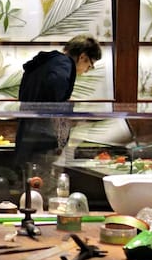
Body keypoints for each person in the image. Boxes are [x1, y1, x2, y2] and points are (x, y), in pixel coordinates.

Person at [15, 34, 103, 166]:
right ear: (83, 57)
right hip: (44, 139)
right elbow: (54, 91)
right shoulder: (63, 64)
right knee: (43, 181)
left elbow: (25, 95)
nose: (86, 71)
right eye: (90, 65)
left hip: (26, 134)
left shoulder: (45, 63)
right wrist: (65, 104)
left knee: (29, 179)